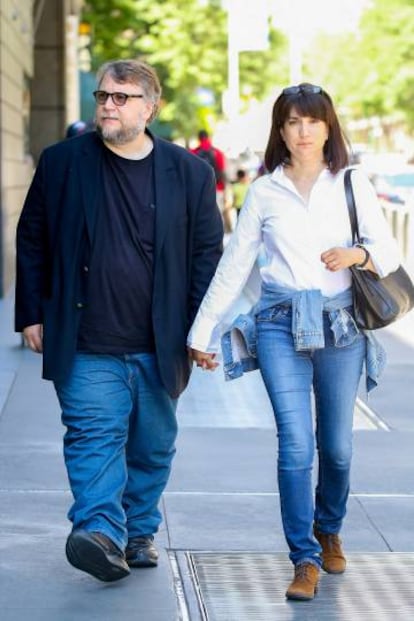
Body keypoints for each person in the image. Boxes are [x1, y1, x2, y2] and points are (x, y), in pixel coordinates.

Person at [187, 83, 400, 601]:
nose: (302, 132)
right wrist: (200, 331)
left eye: (312, 121)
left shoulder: (351, 182)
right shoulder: (264, 191)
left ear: (329, 127)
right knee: (296, 445)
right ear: (280, 131)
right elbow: (235, 265)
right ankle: (303, 557)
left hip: (341, 327)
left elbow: (390, 254)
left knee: (339, 447)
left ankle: (329, 527)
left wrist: (355, 256)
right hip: (280, 324)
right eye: (291, 123)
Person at [15, 59, 223, 583]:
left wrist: (200, 332)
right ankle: (98, 531)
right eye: (103, 96)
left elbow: (205, 255)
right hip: (85, 338)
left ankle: (138, 531)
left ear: (150, 107)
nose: (108, 105)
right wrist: (32, 312)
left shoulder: (190, 172)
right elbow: (32, 236)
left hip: (160, 341)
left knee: (152, 445)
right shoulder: (63, 162)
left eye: (121, 97)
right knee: (93, 434)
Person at [191, 129, 231, 231]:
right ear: (208, 137)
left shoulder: (193, 152)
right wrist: (226, 189)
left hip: (198, 189)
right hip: (217, 187)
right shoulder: (217, 152)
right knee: (218, 214)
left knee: (202, 215)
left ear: (198, 138)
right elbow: (222, 172)